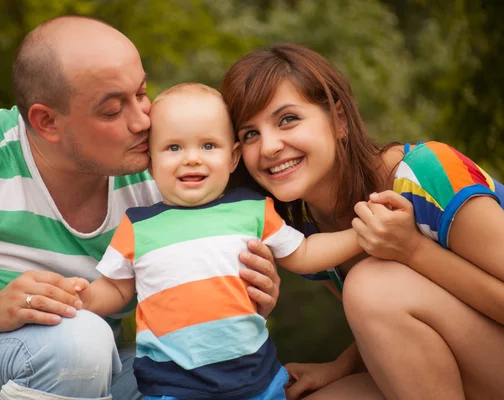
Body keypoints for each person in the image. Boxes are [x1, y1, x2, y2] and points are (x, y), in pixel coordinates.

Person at [0, 16, 281, 400]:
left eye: (141, 93)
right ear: (47, 121)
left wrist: (244, 285)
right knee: (77, 342)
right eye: (112, 110)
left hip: (100, 374)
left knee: (203, 377)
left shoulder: (157, 173)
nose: (142, 121)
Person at [221, 42, 504, 399]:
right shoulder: (306, 235)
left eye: (288, 119)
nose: (268, 147)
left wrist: (413, 250)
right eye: (250, 133)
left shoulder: (426, 173)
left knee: (371, 285)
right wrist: (341, 366)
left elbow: (386, 296)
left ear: (339, 120)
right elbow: (410, 320)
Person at [68, 83, 363, 399]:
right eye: (174, 148)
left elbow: (304, 252)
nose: (192, 159)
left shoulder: (252, 210)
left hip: (256, 379)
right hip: (171, 385)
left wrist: (363, 233)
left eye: (208, 146)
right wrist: (79, 298)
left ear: (233, 157)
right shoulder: (138, 226)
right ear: (151, 162)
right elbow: (114, 289)